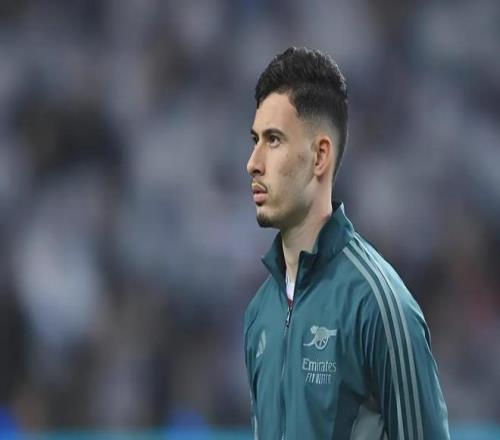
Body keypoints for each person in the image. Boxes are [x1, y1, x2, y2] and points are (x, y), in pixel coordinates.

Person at [243, 47, 450, 439]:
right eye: (255, 139)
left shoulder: (378, 303)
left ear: (320, 156)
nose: (253, 162)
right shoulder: (259, 313)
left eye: (273, 140)